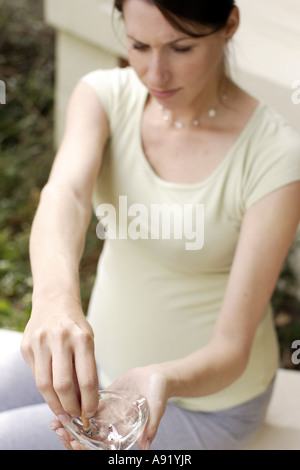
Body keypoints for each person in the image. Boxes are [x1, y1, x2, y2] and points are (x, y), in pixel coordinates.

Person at [1, 0, 300, 450]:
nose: (155, 73)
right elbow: (66, 195)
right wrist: (54, 299)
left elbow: (232, 348)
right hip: (95, 362)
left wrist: (161, 376)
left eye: (181, 48)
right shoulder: (103, 95)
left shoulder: (277, 156)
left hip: (201, 403)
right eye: (139, 45)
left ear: (229, 25)